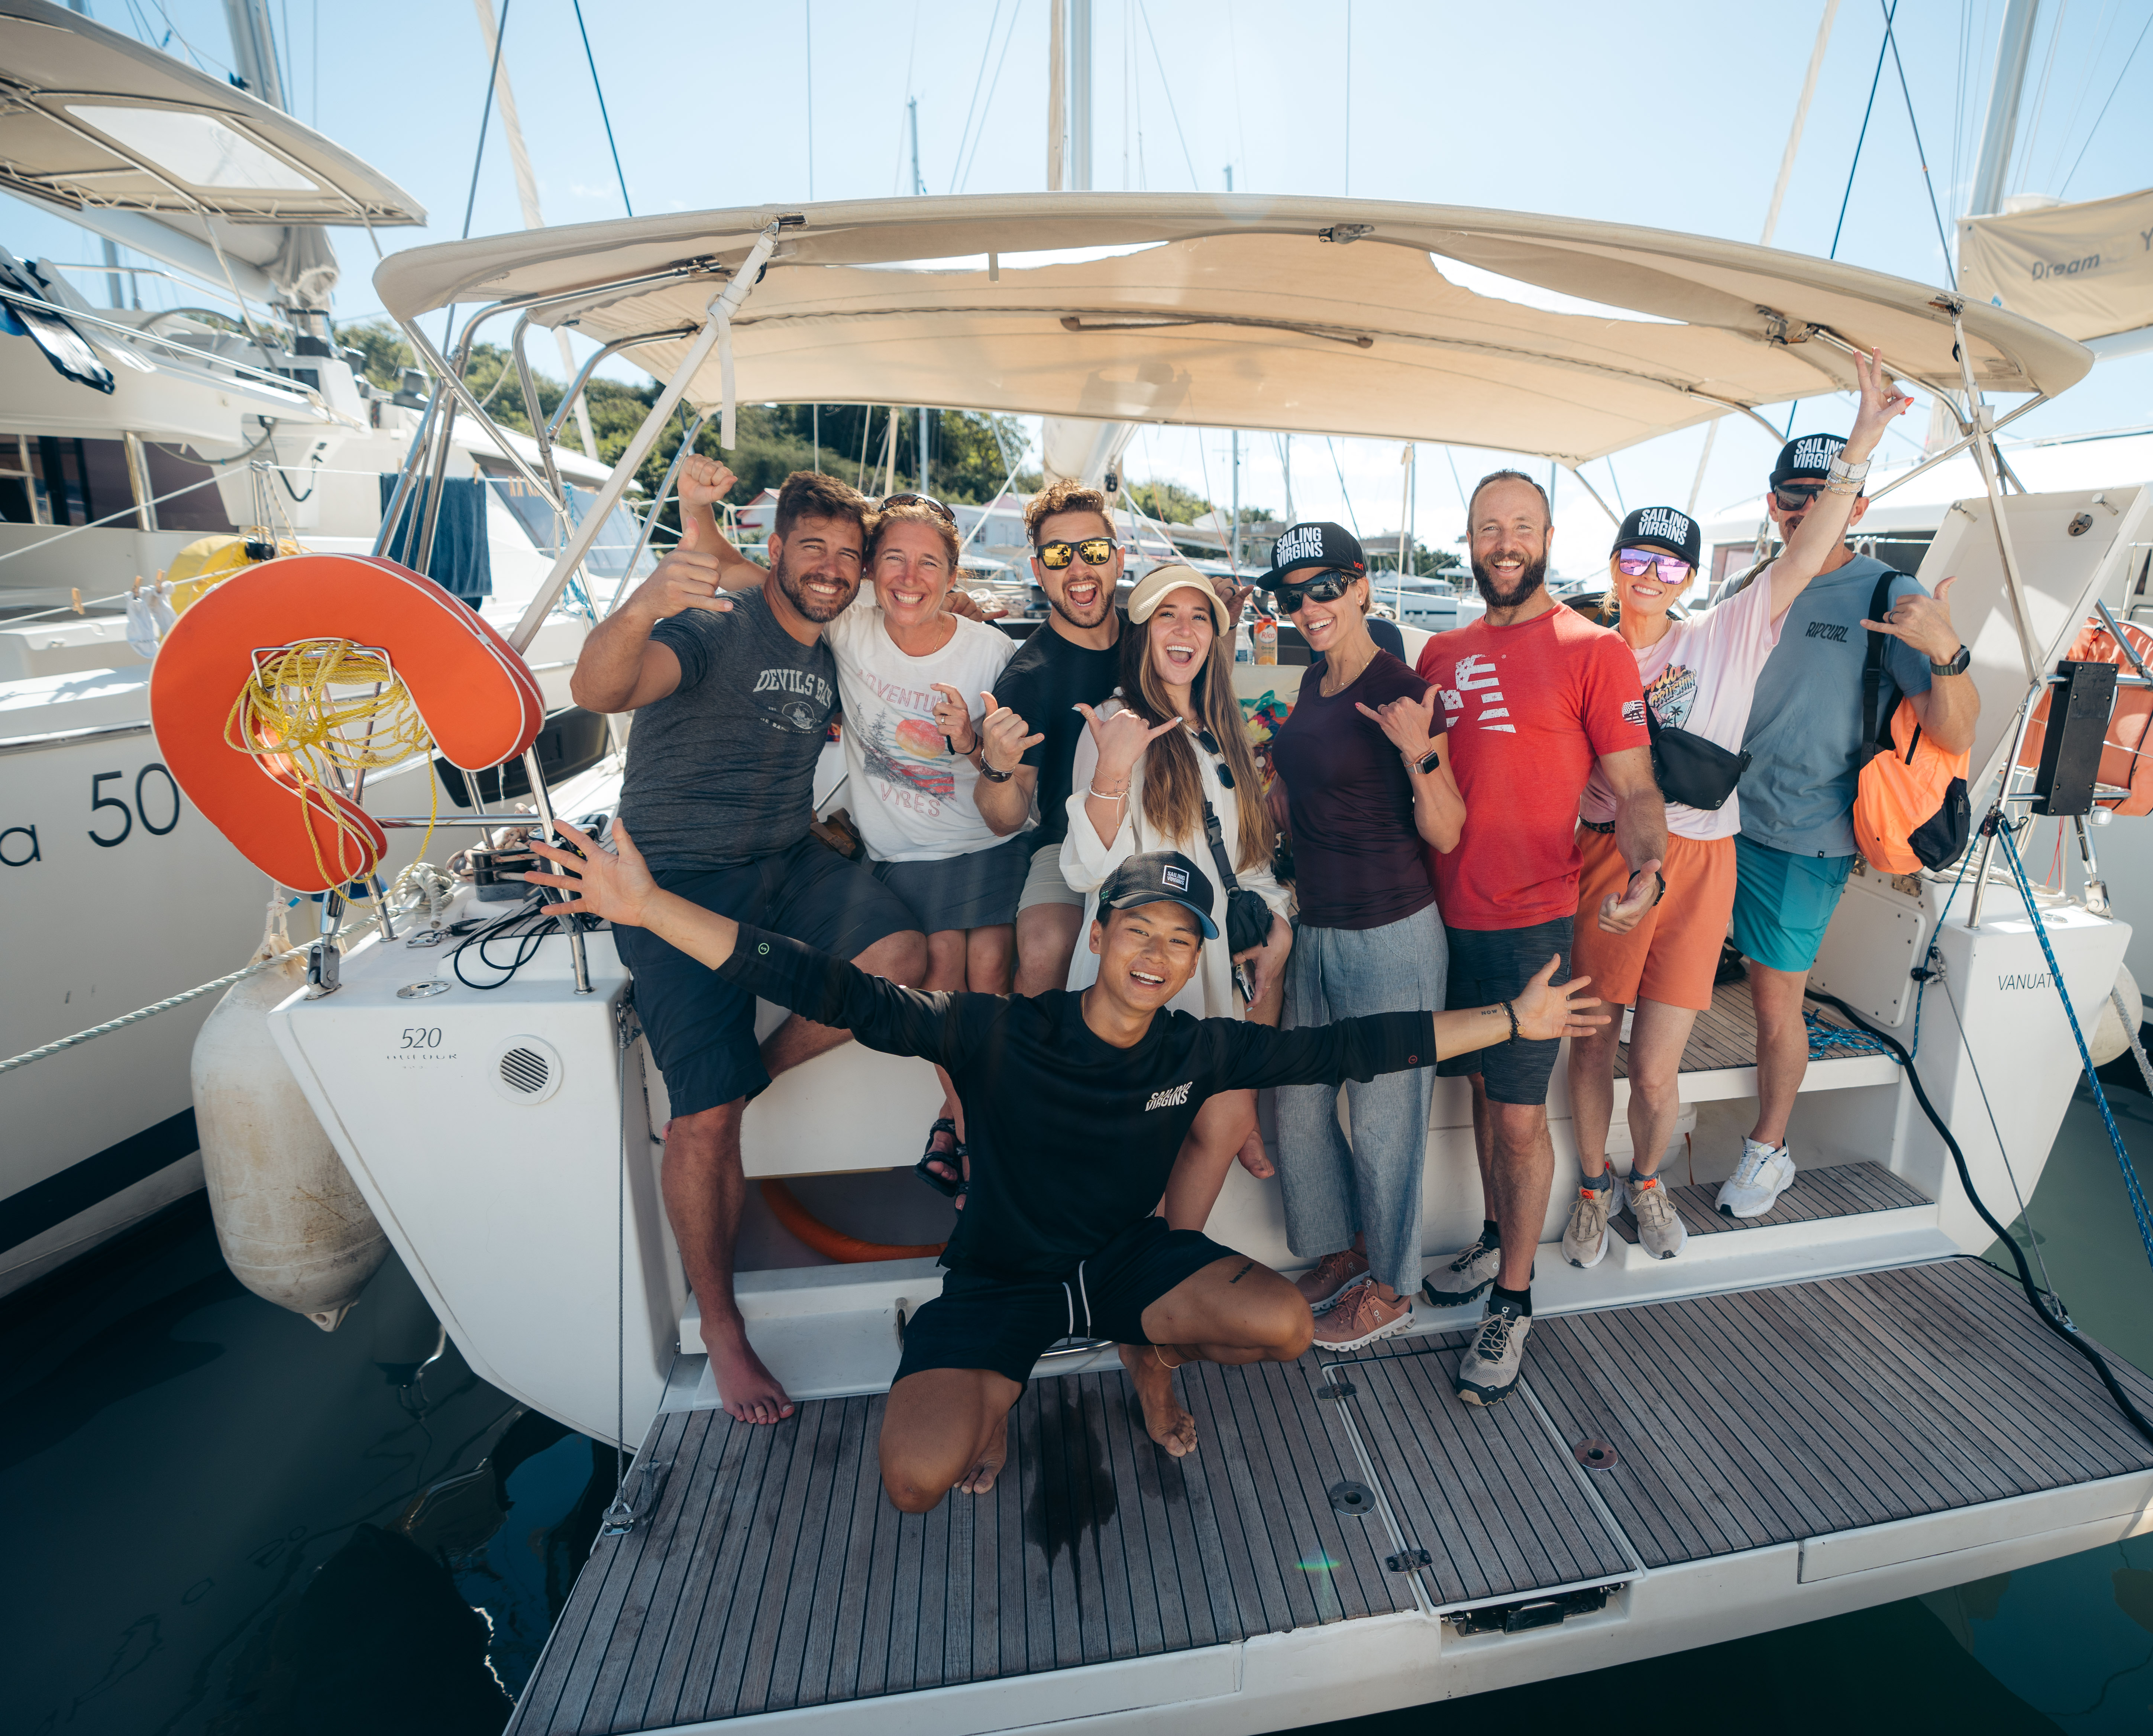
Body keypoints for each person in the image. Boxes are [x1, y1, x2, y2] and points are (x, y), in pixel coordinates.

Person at [524, 828, 1605, 1511]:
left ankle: (1145, 1352)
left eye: (1179, 941)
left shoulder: (1200, 1047)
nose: (1156, 954)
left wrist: (1514, 1020)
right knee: (915, 1479)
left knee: (1283, 1326)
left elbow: (1354, 1047)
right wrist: (650, 909)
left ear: (1195, 959)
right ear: (1099, 935)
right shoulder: (998, 1031)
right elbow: (834, 988)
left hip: (1126, 1261)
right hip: (1000, 1279)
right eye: (1139, 929)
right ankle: (996, 1390)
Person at [567, 469, 925, 1428]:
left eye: (848, 554)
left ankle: (746, 1077)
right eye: (813, 548)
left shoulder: (833, 641)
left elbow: (736, 557)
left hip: (787, 858)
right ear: (776, 551)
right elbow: (598, 686)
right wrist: (647, 600)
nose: (832, 568)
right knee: (703, 1125)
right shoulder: (716, 625)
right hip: (675, 876)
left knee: (900, 960)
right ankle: (722, 1325)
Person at [1563, 351, 1911, 1262]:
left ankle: (1645, 1180)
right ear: (1613, 564)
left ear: (1688, 574)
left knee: (1657, 1063)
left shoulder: (1727, 631)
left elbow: (1807, 548)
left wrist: (1861, 442)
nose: (1651, 572)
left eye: (1669, 560)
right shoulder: (1584, 652)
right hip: (1607, 855)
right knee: (1593, 1045)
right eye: (1636, 556)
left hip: (1702, 861)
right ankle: (1593, 1186)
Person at [1414, 471, 1669, 1406]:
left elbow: (1635, 788)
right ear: (1470, 540)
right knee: (1483, 1092)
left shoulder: (1594, 649)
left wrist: (1648, 869)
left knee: (1521, 1119)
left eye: (1522, 524)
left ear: (1549, 536)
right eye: (1489, 527)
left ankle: (1514, 1302)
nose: (1505, 541)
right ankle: (1494, 1240)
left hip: (1531, 922)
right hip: (1440, 916)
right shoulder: (1439, 651)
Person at [1722, 418, 1978, 1220]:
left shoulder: (1887, 594)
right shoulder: (1749, 590)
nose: (1809, 508)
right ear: (1774, 505)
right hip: (1717, 818)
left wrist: (1948, 652)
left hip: (1805, 834)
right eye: (1794, 495)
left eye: (1827, 494)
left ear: (1857, 504)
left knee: (1776, 1002)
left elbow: (1956, 733)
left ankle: (1769, 1149)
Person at [1256, 523, 1464, 1351]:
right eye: (1292, 595)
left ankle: (1393, 1287)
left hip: (1391, 933)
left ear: (1362, 585)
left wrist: (1419, 754)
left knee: (1385, 1124)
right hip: (1316, 927)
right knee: (1299, 1104)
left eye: (1326, 587)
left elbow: (1446, 830)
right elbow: (1311, 790)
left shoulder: (1404, 689)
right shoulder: (1311, 679)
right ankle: (1345, 1248)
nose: (1309, 606)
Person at [1062, 565, 1294, 1230]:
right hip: (1142, 968)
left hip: (1212, 968)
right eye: (1168, 614)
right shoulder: (1115, 724)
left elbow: (1249, 858)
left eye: (1198, 617)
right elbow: (1091, 872)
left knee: (1223, 1120)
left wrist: (1278, 920)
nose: (1184, 629)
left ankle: (1171, 1263)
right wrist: (1112, 768)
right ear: (1142, 632)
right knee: (1136, 1143)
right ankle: (1126, 1276)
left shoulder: (1224, 729)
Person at [819, 494, 1031, 1193]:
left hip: (986, 842)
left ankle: (961, 1129)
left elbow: (1009, 777)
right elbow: (761, 580)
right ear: (871, 569)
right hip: (903, 850)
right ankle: (981, 1140)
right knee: (940, 973)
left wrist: (969, 740)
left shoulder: (993, 653)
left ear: (953, 574)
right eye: (894, 559)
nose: (910, 578)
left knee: (991, 968)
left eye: (929, 563)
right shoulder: (849, 627)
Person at [985, 482, 1126, 1007]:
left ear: (1117, 560)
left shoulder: (1155, 644)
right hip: (1067, 842)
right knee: (1045, 950)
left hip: (1156, 830)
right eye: (1058, 556)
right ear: (1038, 570)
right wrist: (997, 767)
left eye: (1094, 551)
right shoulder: (1027, 679)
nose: (1079, 568)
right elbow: (1005, 818)